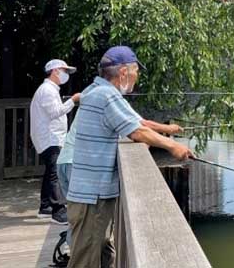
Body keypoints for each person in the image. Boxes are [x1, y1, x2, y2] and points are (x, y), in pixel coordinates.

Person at [66, 46, 194, 268]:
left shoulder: (95, 91)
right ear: (123, 72)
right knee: (84, 262)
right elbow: (137, 131)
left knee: (103, 254)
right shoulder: (106, 95)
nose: (138, 76)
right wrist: (173, 146)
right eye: (136, 71)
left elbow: (137, 125)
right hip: (91, 197)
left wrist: (166, 133)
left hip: (91, 194)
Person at [57, 87, 183, 249]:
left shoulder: (94, 95)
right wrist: (169, 130)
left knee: (79, 218)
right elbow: (141, 125)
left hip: (65, 161)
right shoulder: (109, 99)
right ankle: (78, 254)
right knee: (88, 220)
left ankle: (74, 253)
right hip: (79, 165)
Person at [30, 59, 81, 225]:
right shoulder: (47, 90)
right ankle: (58, 211)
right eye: (64, 71)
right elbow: (55, 113)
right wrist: (73, 100)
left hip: (50, 137)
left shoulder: (50, 89)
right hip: (50, 138)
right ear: (54, 71)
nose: (66, 75)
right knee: (55, 174)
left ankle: (45, 207)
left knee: (50, 171)